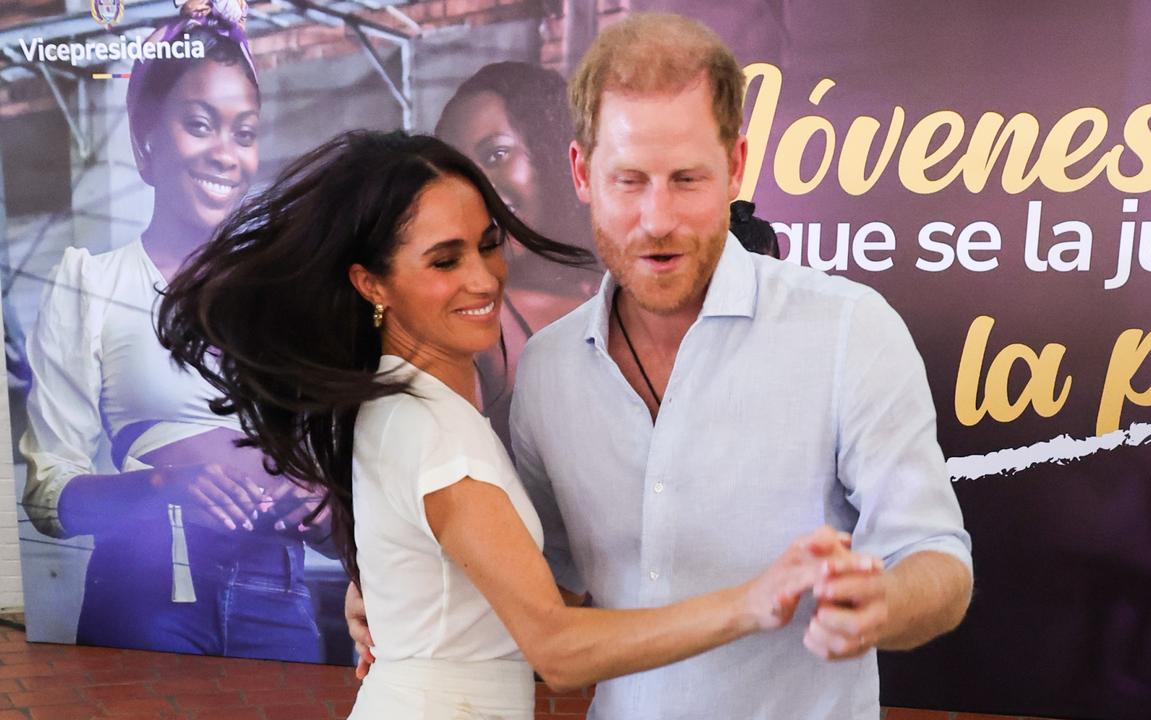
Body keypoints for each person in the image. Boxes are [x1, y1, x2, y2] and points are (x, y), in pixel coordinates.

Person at [156, 129, 866, 718]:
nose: (484, 278)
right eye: (444, 259)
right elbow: (556, 649)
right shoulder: (437, 434)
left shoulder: (400, 402)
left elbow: (511, 591)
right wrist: (754, 601)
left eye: (487, 243)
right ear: (371, 282)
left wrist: (392, 595)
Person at [503, 12, 974, 718]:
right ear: (581, 172)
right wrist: (400, 596)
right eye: (629, 180)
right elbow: (550, 593)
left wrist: (883, 601)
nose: (657, 219)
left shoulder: (850, 330)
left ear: (737, 167)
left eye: (687, 179)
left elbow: (940, 563)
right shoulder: (544, 372)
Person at [19, 7, 329, 661]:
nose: (226, 152)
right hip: (147, 599)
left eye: (244, 132)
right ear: (145, 141)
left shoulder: (291, 299)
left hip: (280, 602)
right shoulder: (91, 285)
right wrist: (161, 491)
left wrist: (327, 507)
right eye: (199, 124)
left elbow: (335, 481)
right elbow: (49, 493)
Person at [435, 62, 601, 443]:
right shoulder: (484, 327)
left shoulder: (628, 284)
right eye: (458, 173)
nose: (479, 189)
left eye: (496, 155)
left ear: (552, 149)